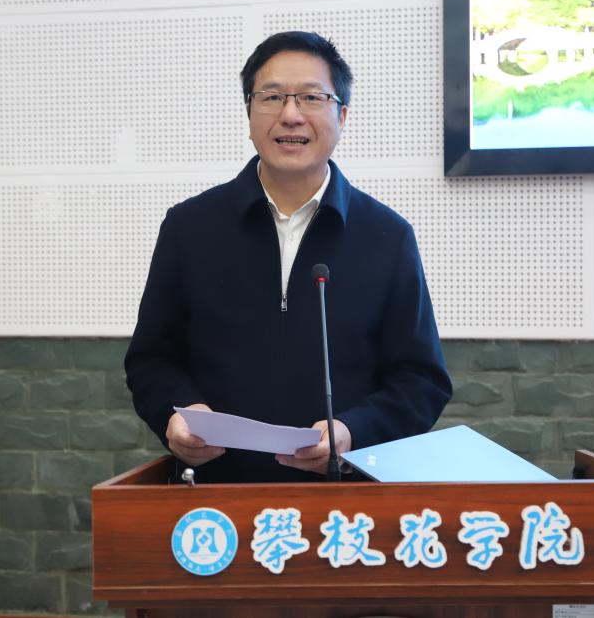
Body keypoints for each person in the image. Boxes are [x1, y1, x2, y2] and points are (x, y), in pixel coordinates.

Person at [124, 31, 452, 482]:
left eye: (312, 97)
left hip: (342, 501)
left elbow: (421, 380)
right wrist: (176, 414)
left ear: (342, 115)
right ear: (249, 113)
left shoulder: (387, 236)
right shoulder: (189, 227)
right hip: (216, 499)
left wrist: (352, 432)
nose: (291, 115)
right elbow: (151, 359)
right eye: (272, 97)